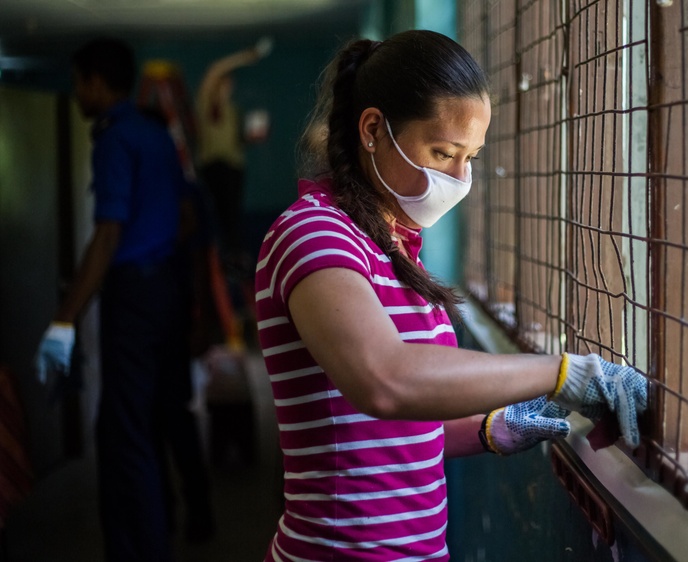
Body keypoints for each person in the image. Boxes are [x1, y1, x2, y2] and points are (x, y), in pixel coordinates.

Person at [255, 30, 649, 561]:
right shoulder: (313, 236)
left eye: (472, 156)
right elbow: (386, 380)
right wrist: (562, 371)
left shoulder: (392, 247)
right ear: (373, 129)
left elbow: (386, 436)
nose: (460, 177)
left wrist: (487, 429)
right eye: (443, 152)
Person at [33, 37, 207, 561]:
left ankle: (142, 550)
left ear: (96, 83)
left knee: (125, 436)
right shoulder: (157, 136)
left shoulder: (114, 139)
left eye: (78, 81)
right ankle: (154, 538)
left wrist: (64, 320)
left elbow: (108, 235)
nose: (77, 92)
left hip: (134, 292)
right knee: (142, 422)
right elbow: (184, 220)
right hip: (164, 290)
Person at [195, 37, 271, 275]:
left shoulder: (232, 111)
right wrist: (245, 57)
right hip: (214, 167)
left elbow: (237, 142)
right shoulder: (205, 104)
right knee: (219, 214)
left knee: (232, 215)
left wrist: (253, 138)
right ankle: (223, 257)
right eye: (223, 83)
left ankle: (234, 257)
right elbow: (214, 69)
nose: (227, 87)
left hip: (233, 168)